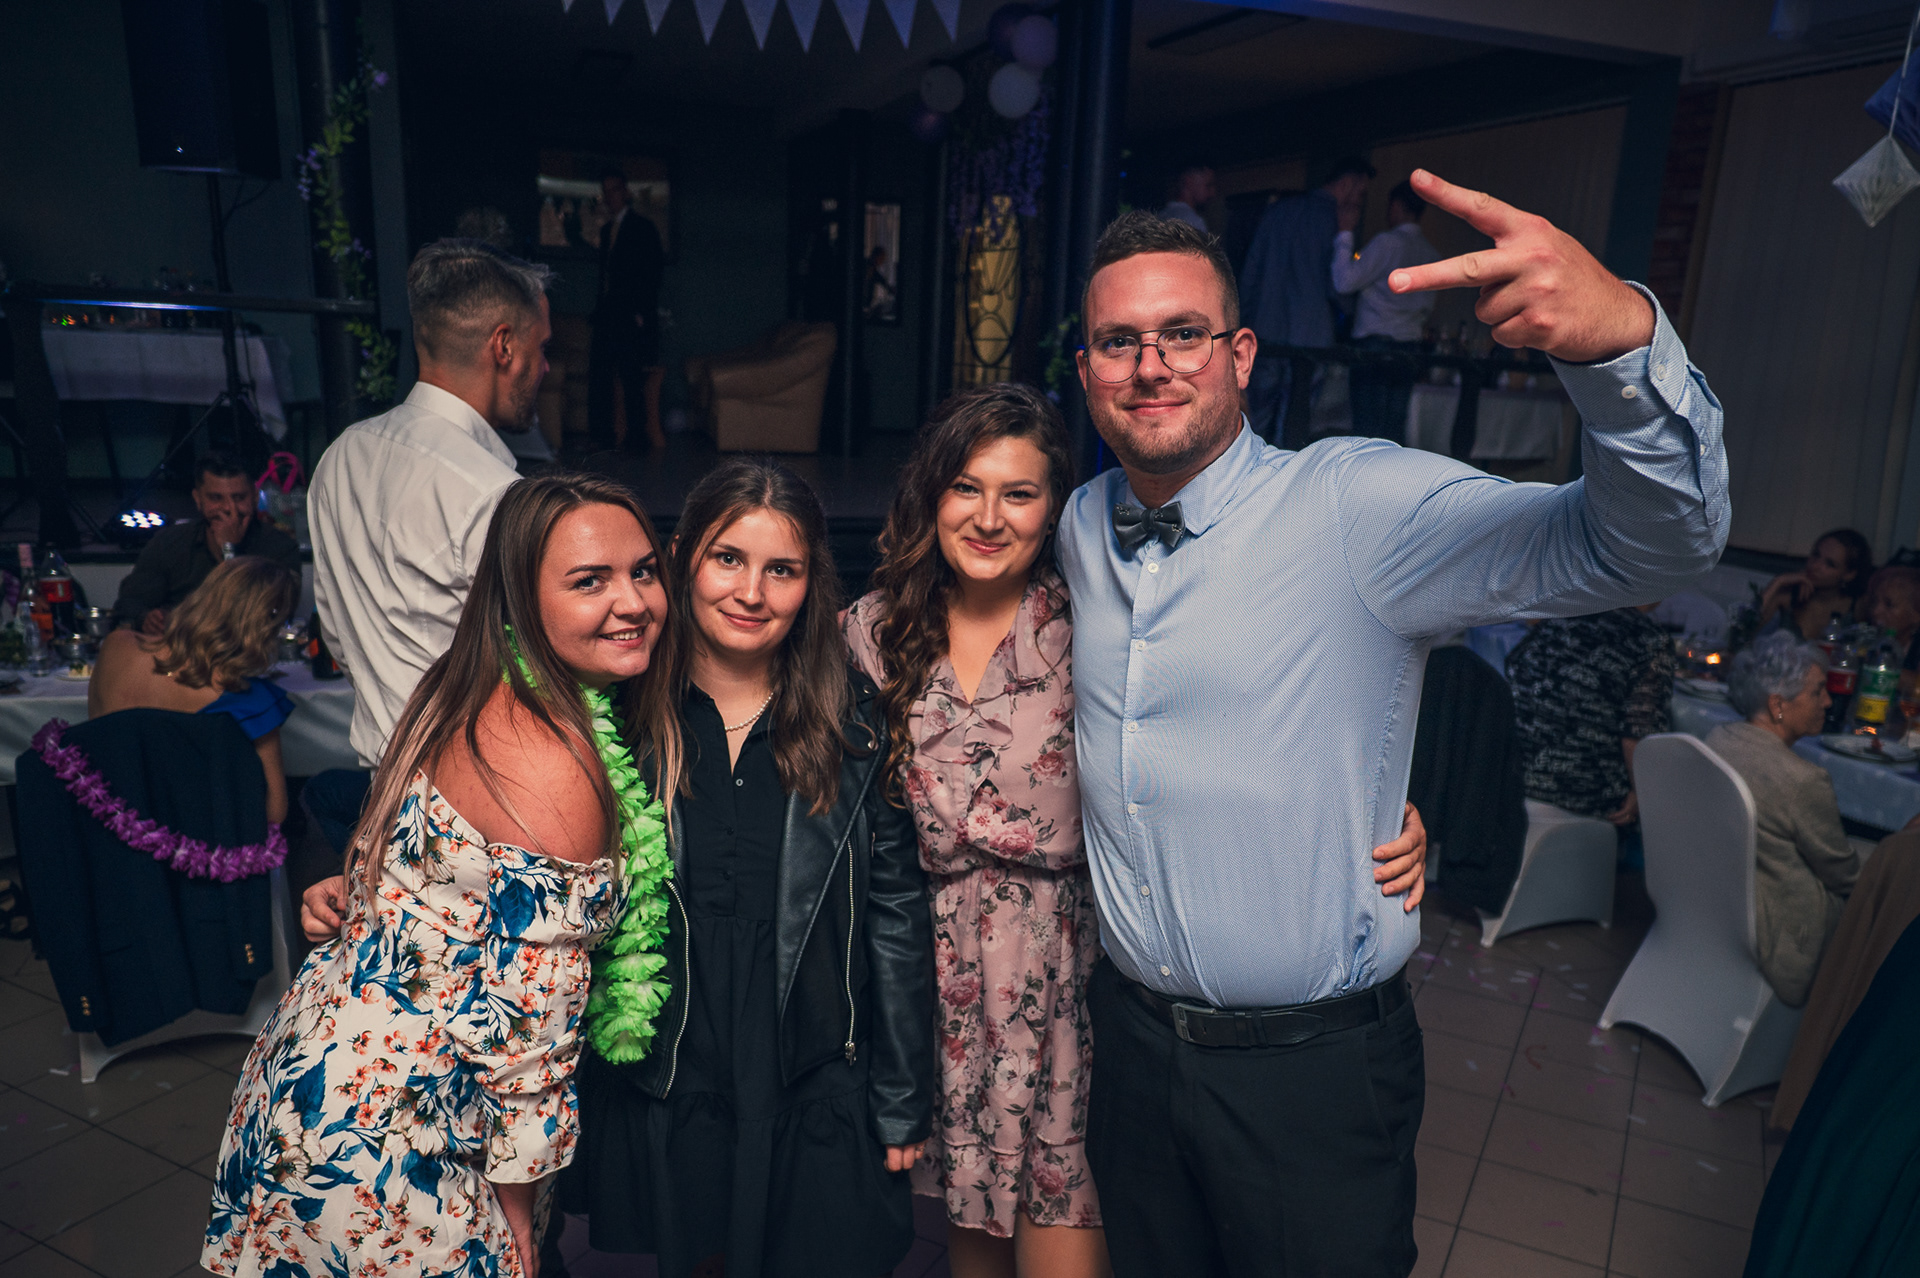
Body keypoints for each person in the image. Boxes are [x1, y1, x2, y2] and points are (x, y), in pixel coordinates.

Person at [1059, 168, 1728, 1278]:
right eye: (1118, 341)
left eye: (1183, 334)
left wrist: (1619, 346)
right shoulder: (1083, 524)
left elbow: (1651, 547)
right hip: (1127, 1049)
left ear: (1241, 356)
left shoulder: (1354, 506)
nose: (1151, 364)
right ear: (1085, 370)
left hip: (1309, 1078)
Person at [845, 384, 1428, 1278]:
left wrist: (1386, 808)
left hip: (1078, 988)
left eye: (1019, 493)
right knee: (972, 1246)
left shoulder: (1095, 623)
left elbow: (1240, 722)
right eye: (967, 487)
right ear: (932, 494)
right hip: (940, 986)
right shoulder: (873, 634)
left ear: (1055, 509)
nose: (989, 518)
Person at [206, 473, 678, 1278]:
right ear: (520, 597)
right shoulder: (554, 764)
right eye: (589, 581)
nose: (632, 601)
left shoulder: (456, 684)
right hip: (406, 1134)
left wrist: (352, 896)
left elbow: (412, 861)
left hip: (310, 1079)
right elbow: (530, 1034)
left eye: (644, 571)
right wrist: (517, 1216)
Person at [564, 459, 934, 1278]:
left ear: (811, 584)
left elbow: (897, 920)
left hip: (810, 1063)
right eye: (728, 559)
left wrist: (904, 1093)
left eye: (782, 570)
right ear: (682, 558)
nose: (751, 593)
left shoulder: (856, 724)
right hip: (678, 1058)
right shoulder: (619, 717)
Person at [305, 239, 549, 856]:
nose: (546, 368)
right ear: (504, 346)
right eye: (541, 348)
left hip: (382, 797)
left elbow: (336, 636)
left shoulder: (341, 456)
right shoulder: (493, 491)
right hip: (483, 810)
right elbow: (539, 668)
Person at [1707, 632, 1860, 1007]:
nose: (1828, 702)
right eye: (1818, 692)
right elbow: (1845, 876)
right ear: (1778, 705)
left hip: (1712, 900)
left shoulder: (1716, 739)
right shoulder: (1803, 780)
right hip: (1778, 927)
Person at [89, 555, 298, 823]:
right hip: (192, 834)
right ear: (264, 627)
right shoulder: (253, 702)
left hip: (103, 823)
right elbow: (275, 813)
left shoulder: (115, 646)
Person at [1237, 156, 1375, 445]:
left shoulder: (1277, 211)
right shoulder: (1336, 223)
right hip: (1311, 335)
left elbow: (1251, 271)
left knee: (1255, 416)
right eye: (1361, 193)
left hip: (1265, 330)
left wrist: (1244, 319)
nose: (1360, 202)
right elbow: (1338, 286)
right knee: (1296, 422)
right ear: (1347, 184)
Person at [1504, 605, 1675, 829]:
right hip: (1586, 798)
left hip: (1514, 783)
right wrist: (1640, 793)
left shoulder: (1563, 612)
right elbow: (1638, 735)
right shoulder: (1649, 638)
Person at [110, 451, 301, 634]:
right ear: (198, 499)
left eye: (239, 498)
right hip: (176, 649)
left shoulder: (279, 547)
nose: (229, 508)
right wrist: (145, 619)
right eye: (216, 498)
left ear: (255, 497)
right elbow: (128, 604)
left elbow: (274, 614)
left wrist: (229, 551)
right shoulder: (169, 543)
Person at [1333, 178, 1440, 443]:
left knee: (1366, 431)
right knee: (1393, 429)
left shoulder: (1386, 243)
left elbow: (1344, 281)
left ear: (1396, 206)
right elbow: (1427, 307)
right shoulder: (1430, 254)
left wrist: (1345, 234)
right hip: (1409, 346)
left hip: (1374, 343)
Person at [588, 168, 666, 453]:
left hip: (630, 315)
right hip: (608, 314)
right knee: (601, 375)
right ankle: (604, 437)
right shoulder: (607, 230)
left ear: (625, 192)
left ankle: (636, 440)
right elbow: (606, 277)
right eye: (605, 192)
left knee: (631, 377)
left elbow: (651, 272)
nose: (609, 197)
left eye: (614, 190)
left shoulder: (642, 228)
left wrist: (640, 312)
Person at [1758, 528, 1872, 639]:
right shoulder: (1788, 594)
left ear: (1849, 574)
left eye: (1829, 564)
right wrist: (1778, 582)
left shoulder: (1857, 607)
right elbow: (1748, 629)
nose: (1815, 566)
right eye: (1816, 555)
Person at [1159, 165, 1215, 234]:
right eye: (1208, 185)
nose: (1212, 192)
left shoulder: (1161, 215)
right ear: (1188, 181)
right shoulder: (1193, 221)